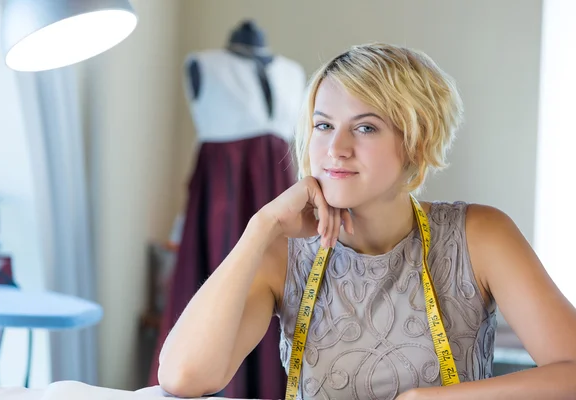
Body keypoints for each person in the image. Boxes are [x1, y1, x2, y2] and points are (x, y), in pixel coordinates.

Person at [156, 42, 576, 399]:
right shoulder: (282, 252)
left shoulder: (480, 236)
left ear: (417, 141)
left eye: (366, 128)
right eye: (323, 125)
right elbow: (183, 378)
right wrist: (260, 227)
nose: (336, 148)